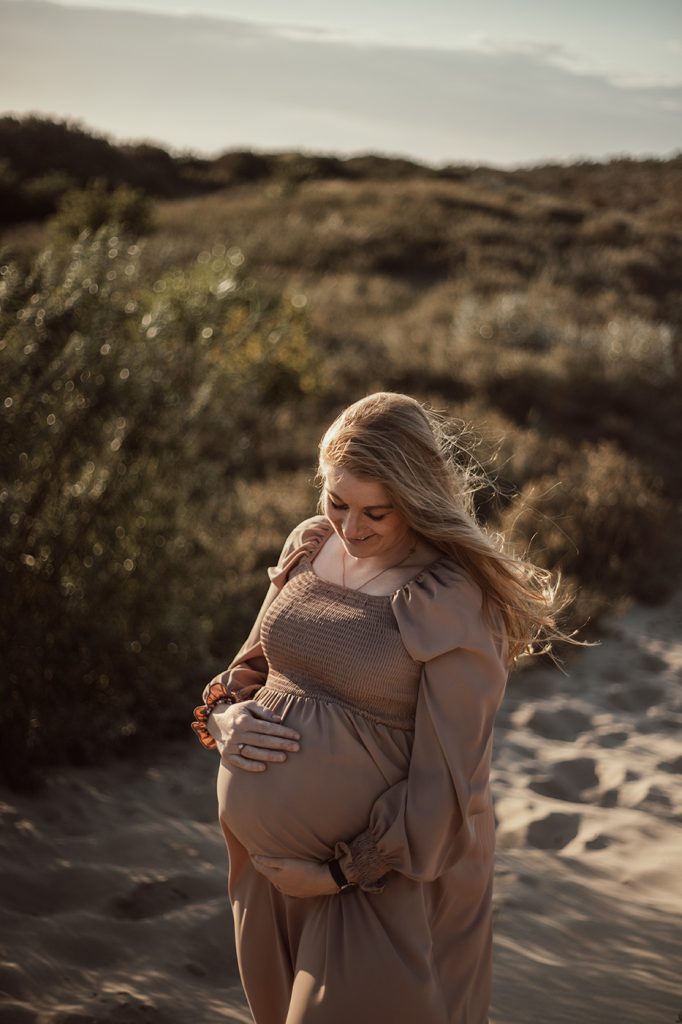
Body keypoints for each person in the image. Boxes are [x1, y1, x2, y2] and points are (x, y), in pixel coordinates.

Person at [191, 392, 566, 1024]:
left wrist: (342, 871)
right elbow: (250, 667)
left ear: (416, 501)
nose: (351, 526)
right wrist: (227, 718)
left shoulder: (449, 598)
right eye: (338, 502)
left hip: (380, 880)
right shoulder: (309, 545)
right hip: (268, 870)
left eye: (376, 513)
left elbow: (451, 777)